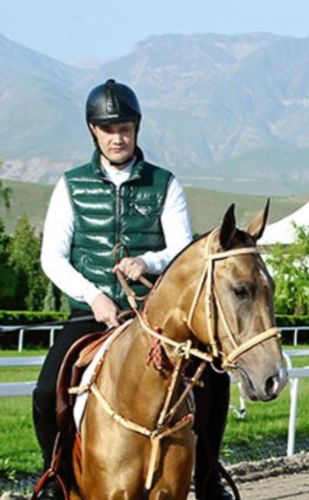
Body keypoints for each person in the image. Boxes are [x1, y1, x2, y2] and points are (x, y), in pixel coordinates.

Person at [34, 79, 233, 499]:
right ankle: (56, 477)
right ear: (93, 130)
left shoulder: (165, 184)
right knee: (45, 391)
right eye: (108, 129)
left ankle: (208, 479)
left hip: (153, 318)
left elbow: (181, 249)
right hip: (91, 314)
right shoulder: (70, 186)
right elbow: (53, 257)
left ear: (136, 128)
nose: (117, 137)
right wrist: (94, 296)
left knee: (214, 381)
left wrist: (148, 262)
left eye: (124, 128)